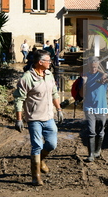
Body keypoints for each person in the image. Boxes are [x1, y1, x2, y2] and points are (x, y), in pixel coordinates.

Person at [13, 50, 64, 186]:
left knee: (52, 144)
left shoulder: (49, 75)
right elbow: (19, 99)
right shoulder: (27, 78)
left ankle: (40, 160)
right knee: (37, 145)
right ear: (40, 62)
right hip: (34, 118)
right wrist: (19, 119)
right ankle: (36, 176)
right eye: (48, 60)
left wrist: (59, 109)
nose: (50, 62)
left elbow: (54, 93)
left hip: (49, 117)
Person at [80, 56, 108, 162]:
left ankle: (98, 150)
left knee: (100, 131)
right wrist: (84, 84)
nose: (93, 68)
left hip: (102, 107)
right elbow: (82, 95)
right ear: (88, 65)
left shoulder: (103, 75)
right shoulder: (85, 76)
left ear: (98, 65)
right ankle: (90, 154)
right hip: (89, 107)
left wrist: (106, 74)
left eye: (95, 66)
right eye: (91, 66)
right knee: (91, 131)